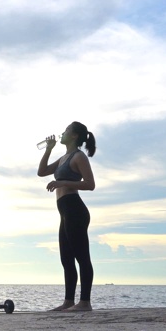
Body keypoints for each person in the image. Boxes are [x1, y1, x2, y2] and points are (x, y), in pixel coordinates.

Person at [37, 121, 96, 312]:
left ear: (74, 136)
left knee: (82, 257)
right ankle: (69, 301)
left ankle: (85, 302)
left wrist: (61, 181)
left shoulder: (79, 157)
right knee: (66, 258)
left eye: (66, 131)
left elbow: (90, 184)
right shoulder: (63, 158)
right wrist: (48, 149)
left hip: (75, 210)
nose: (62, 133)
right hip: (64, 212)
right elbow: (42, 172)